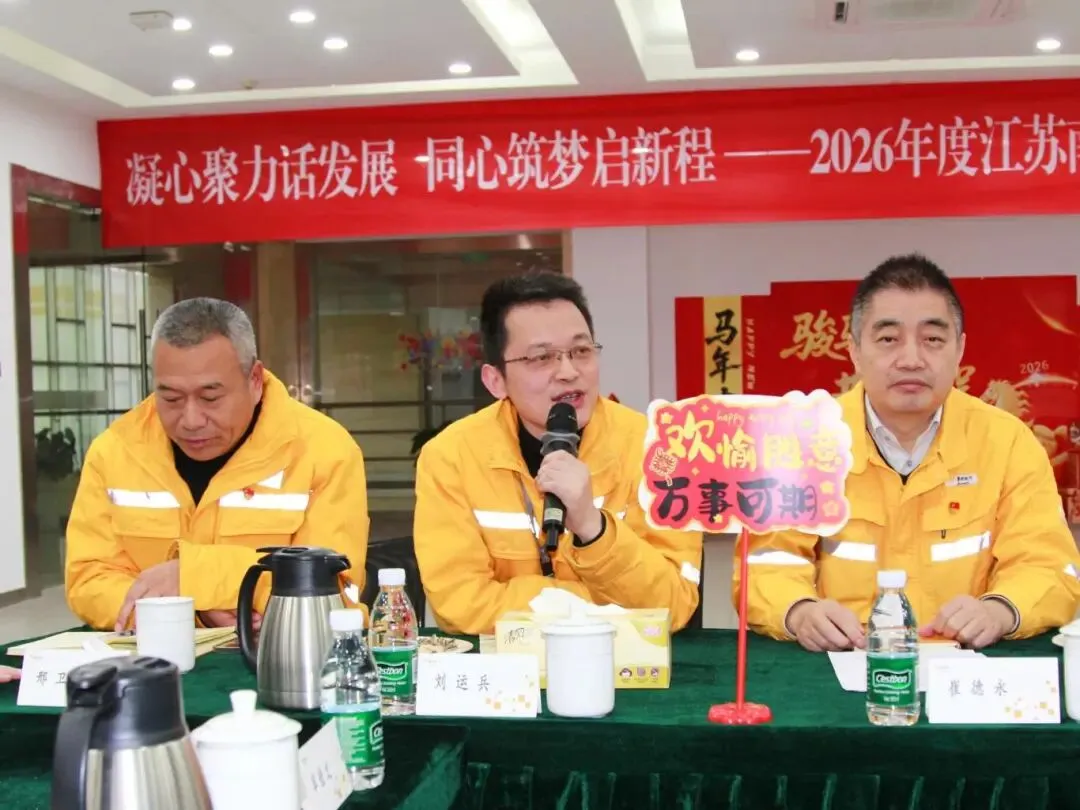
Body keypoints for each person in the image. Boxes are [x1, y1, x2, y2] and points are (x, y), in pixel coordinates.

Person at [736, 254, 1080, 651]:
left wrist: (1000, 610)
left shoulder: (1007, 442)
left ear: (960, 349)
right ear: (854, 350)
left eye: (932, 339)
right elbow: (765, 564)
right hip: (840, 660)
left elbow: (1049, 565)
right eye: (888, 339)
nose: (912, 359)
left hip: (963, 665)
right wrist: (799, 612)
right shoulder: (802, 441)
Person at [414, 272, 703, 635]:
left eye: (581, 351)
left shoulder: (659, 450)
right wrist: (585, 605)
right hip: (506, 667)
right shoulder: (450, 457)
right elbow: (459, 604)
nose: (568, 372)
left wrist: (592, 528)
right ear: (495, 381)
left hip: (624, 664)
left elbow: (672, 604)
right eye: (542, 357)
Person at [65, 298, 370, 631]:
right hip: (151, 653)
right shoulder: (115, 451)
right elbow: (89, 579)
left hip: (281, 655)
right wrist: (188, 610)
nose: (191, 420)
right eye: (171, 398)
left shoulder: (323, 451)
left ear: (255, 380)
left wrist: (201, 580)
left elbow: (333, 592)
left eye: (210, 398)